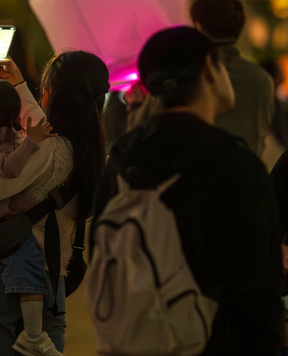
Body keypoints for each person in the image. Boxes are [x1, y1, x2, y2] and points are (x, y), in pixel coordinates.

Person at [95, 26, 284, 355]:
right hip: (217, 342)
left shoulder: (122, 160)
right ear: (210, 69)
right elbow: (256, 289)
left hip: (140, 340)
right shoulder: (235, 165)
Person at [0, 50, 109, 355]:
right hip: (51, 277)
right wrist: (17, 82)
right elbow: (40, 124)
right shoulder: (90, 153)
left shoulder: (46, 151)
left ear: (52, 93)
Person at [0, 79, 61, 356]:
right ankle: (32, 334)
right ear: (13, 115)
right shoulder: (1, 138)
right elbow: (9, 170)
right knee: (30, 257)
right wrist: (32, 141)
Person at [191, 0, 274, 155]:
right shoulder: (262, 80)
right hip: (248, 177)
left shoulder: (187, 77)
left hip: (197, 178)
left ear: (198, 26)